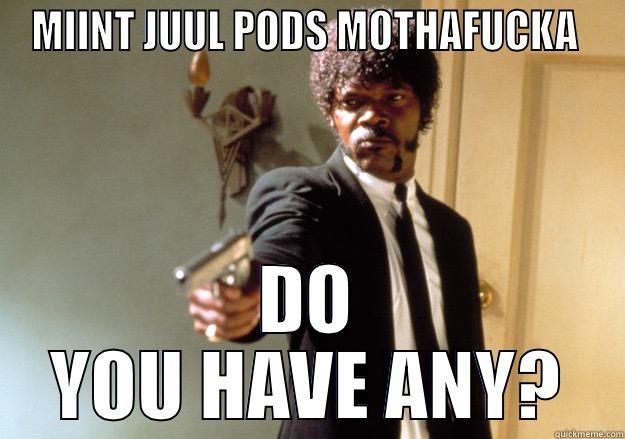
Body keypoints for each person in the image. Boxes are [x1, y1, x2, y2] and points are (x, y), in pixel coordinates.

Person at [188, 10, 491, 439]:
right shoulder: (303, 195)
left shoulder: (452, 232)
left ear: (422, 108)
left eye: (395, 98)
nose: (373, 116)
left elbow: (468, 377)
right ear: (332, 112)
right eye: (353, 101)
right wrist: (250, 296)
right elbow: (280, 257)